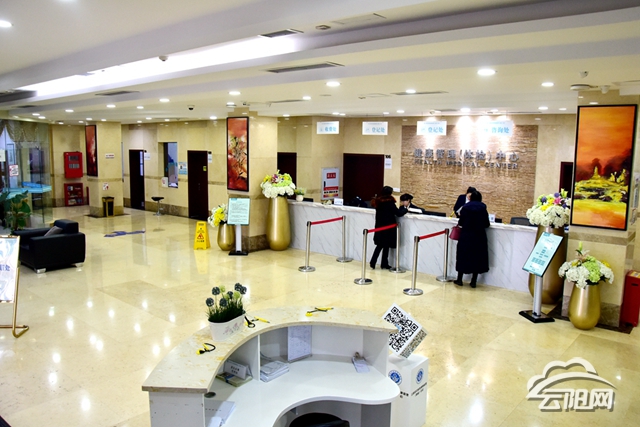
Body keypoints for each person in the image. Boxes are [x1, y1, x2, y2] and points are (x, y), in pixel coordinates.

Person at [454, 190, 490, 288]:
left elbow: (461, 223)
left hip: (466, 236)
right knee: (477, 258)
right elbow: (486, 224)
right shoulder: (483, 208)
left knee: (462, 256)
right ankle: (473, 281)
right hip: (479, 237)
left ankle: (459, 280)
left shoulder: (465, 208)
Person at [369, 186, 407, 270]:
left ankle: (374, 262)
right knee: (386, 245)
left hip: (379, 227)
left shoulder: (378, 202)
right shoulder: (389, 202)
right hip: (388, 227)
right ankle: (384, 263)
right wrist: (405, 209)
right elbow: (398, 213)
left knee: (380, 245)